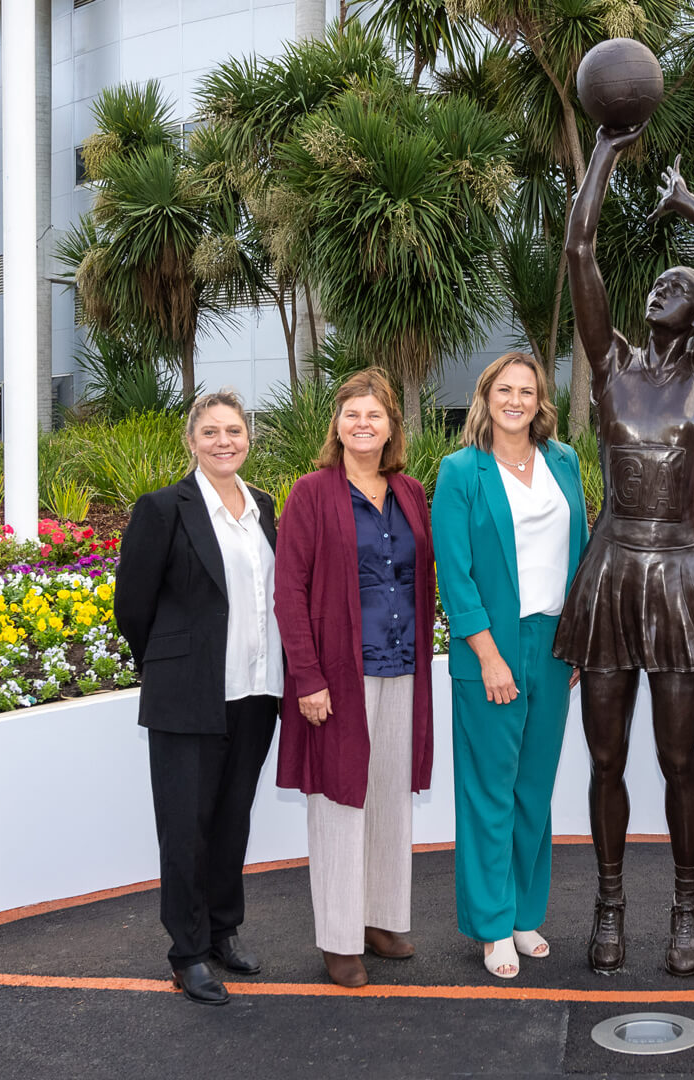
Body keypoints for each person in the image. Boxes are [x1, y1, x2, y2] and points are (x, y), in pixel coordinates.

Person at [553, 124, 694, 976]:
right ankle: (609, 908)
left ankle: (687, 910)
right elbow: (580, 246)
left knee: (679, 759)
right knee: (607, 758)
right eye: (655, 282)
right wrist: (605, 150)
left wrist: (688, 204)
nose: (657, 289)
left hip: (678, 572)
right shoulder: (609, 365)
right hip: (611, 574)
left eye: (676, 285)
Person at [113, 390, 282, 1007]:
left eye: (233, 431)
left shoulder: (262, 507)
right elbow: (132, 605)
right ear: (191, 441)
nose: (223, 442)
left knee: (232, 819)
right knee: (185, 827)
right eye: (210, 432)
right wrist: (172, 662)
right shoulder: (163, 508)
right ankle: (186, 954)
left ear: (248, 439)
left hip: (257, 690)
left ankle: (220, 932)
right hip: (189, 694)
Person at [273, 369, 436, 989]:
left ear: (391, 426)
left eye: (374, 415)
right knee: (340, 801)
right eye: (352, 415)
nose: (362, 425)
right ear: (336, 425)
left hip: (402, 666)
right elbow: (289, 590)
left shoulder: (412, 493)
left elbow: (423, 580)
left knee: (391, 795)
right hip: (339, 675)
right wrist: (308, 678)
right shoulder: (312, 493)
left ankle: (382, 918)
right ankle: (340, 938)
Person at [433, 352, 590, 979]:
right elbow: (456, 573)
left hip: (554, 647)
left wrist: (575, 640)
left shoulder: (564, 462)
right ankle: (492, 925)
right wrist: (490, 655)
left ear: (539, 401)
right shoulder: (460, 471)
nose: (516, 400)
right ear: (486, 397)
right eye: (506, 389)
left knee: (534, 789)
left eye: (527, 391)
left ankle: (526, 916)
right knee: (490, 791)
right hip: (490, 651)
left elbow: (579, 556)